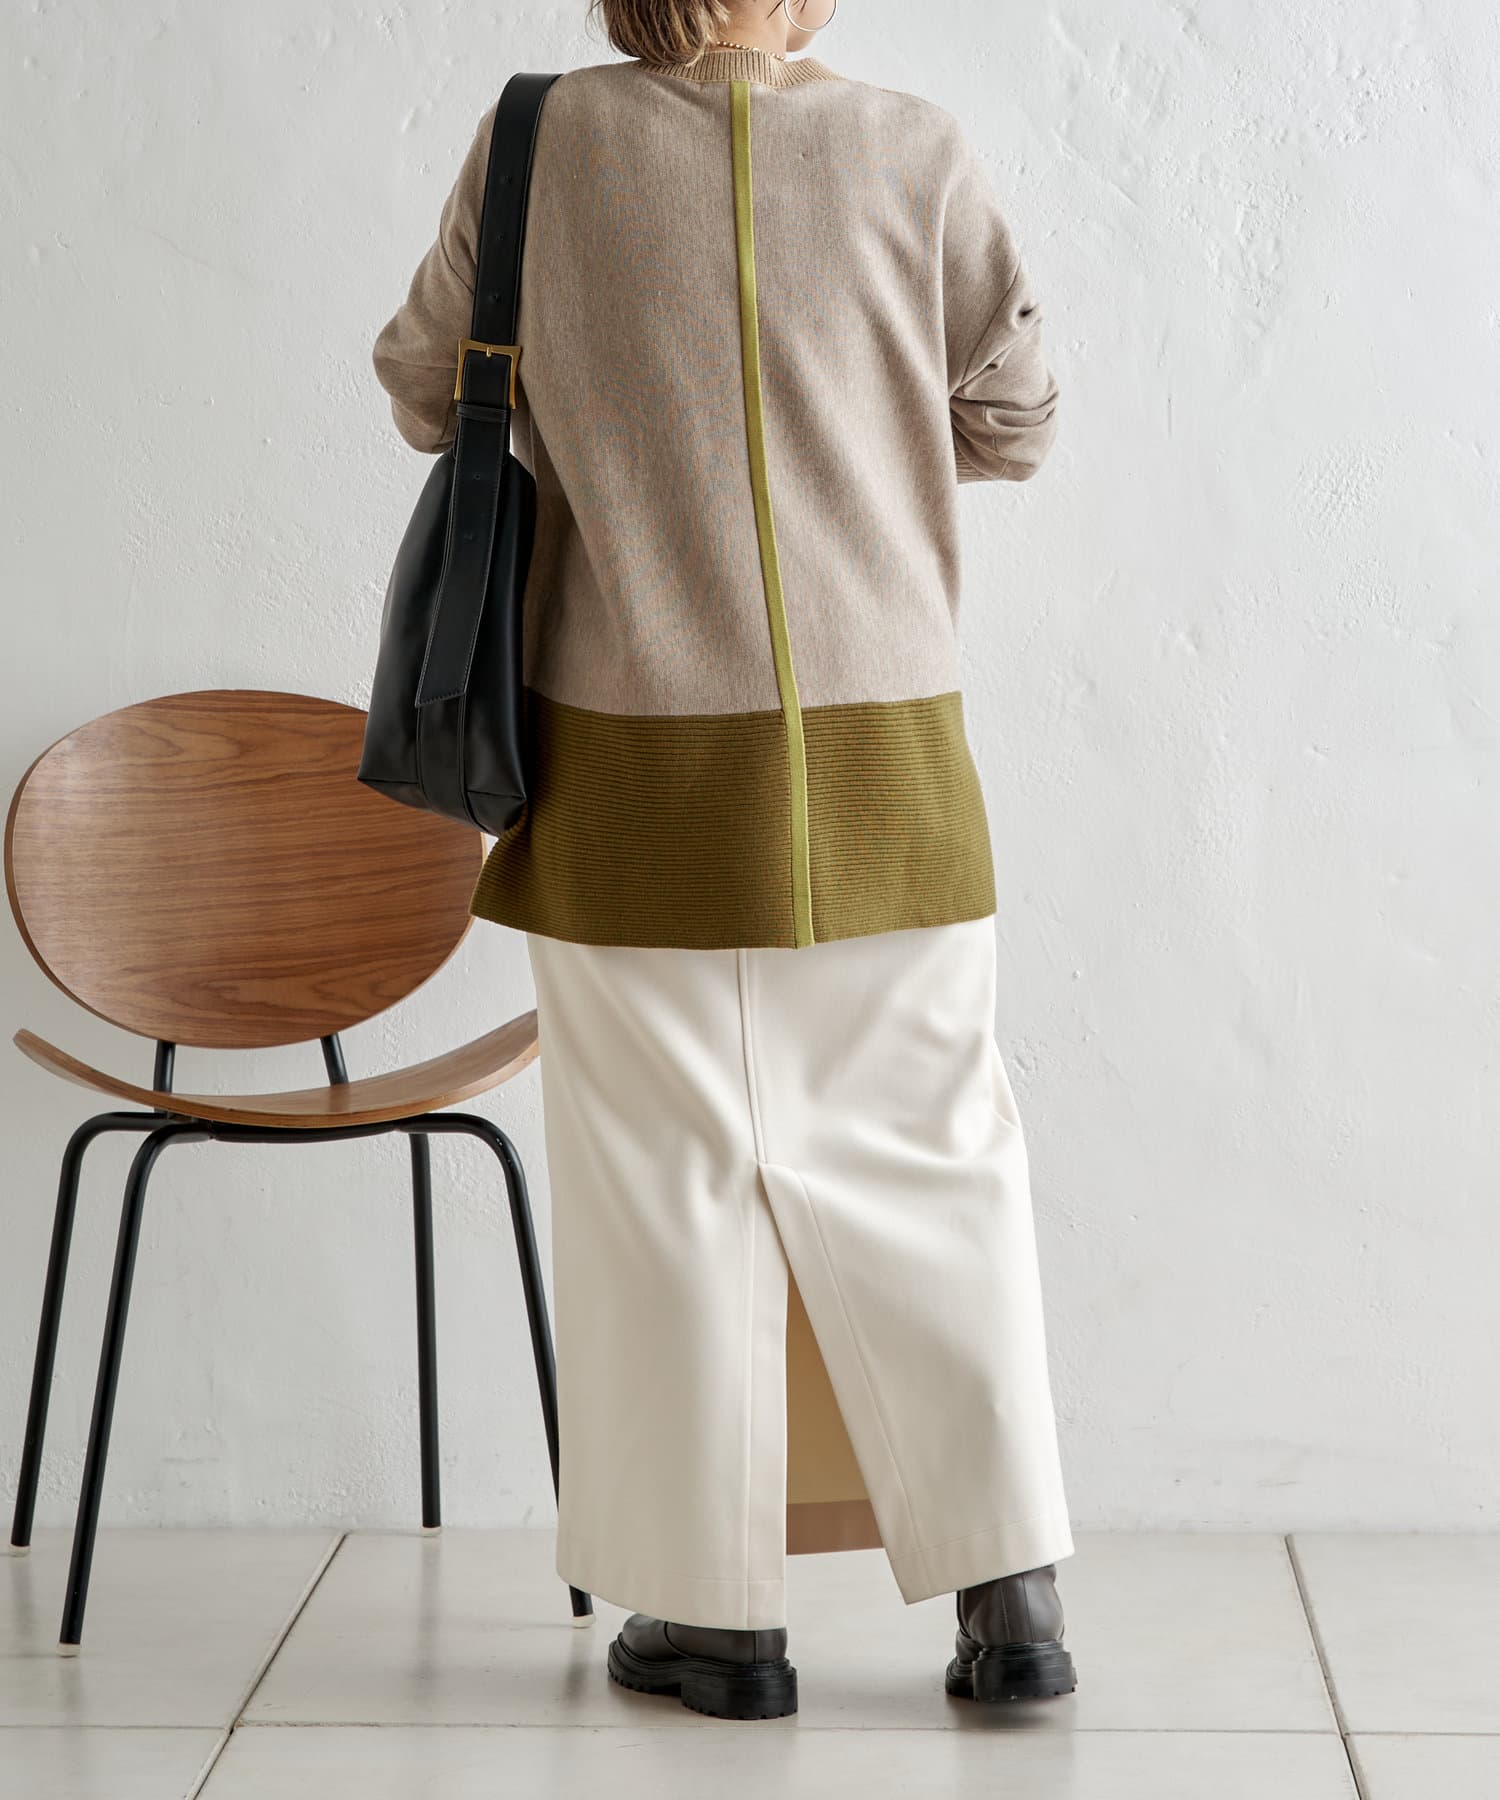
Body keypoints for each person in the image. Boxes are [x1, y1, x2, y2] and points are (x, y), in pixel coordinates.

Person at [371, 0, 1075, 1723]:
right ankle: (1013, 1604)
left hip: (633, 775)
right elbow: (1020, 419)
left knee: (667, 1186)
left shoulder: (540, 141)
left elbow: (423, 384)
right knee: (934, 1164)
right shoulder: (912, 149)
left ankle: (715, 1623)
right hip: (885, 767)